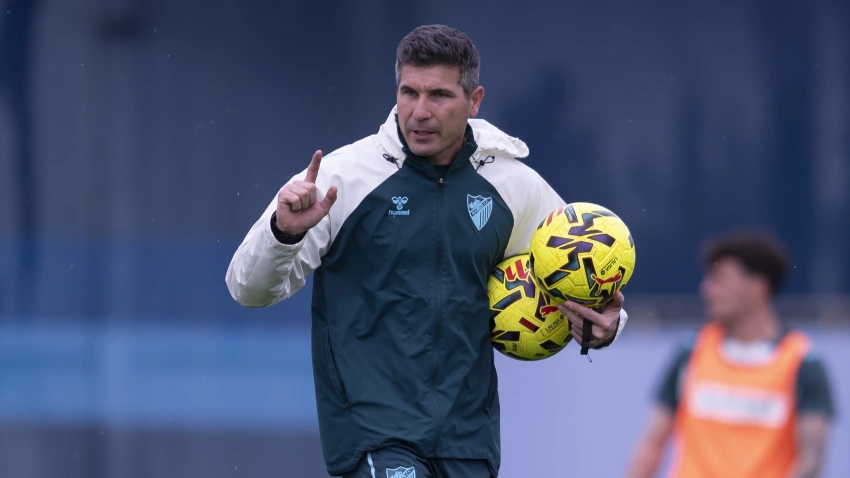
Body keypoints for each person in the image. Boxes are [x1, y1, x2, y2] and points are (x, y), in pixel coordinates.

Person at [226, 25, 628, 478]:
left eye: (438, 95)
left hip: (468, 438)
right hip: (373, 429)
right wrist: (284, 232)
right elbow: (247, 288)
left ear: (474, 101)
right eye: (408, 92)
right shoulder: (342, 178)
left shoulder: (512, 184)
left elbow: (581, 277)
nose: (419, 111)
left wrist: (605, 325)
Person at [627, 231, 834, 478]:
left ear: (758, 287)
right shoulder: (692, 350)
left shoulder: (802, 361)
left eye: (719, 280)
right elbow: (652, 445)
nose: (706, 289)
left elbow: (810, 461)